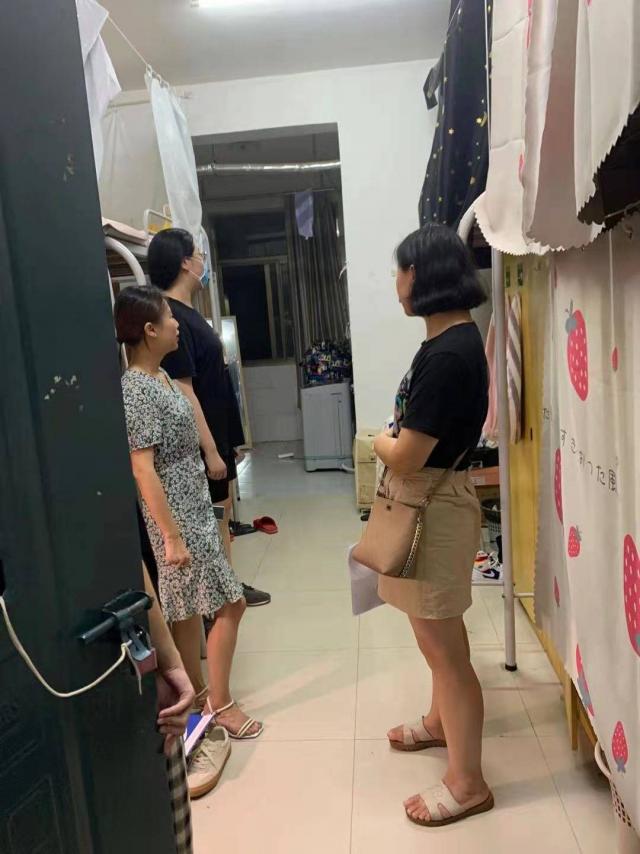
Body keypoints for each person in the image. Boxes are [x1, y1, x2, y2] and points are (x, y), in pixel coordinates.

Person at [372, 224, 493, 828]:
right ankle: (438, 723)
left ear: (419, 275)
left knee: (445, 650)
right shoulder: (451, 341)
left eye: (399, 270)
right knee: (435, 636)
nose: (395, 283)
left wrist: (376, 439)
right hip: (435, 502)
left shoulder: (448, 354)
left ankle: (468, 783)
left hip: (435, 507)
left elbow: (407, 454)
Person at [115, 286, 263, 753]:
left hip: (193, 506)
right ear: (149, 330)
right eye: (169, 317)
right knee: (231, 604)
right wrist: (172, 536)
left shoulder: (160, 376)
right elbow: (142, 468)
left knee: (184, 613)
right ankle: (221, 702)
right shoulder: (136, 390)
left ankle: (197, 699)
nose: (178, 323)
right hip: (176, 518)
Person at [147, 228, 271, 613]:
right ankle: (221, 596)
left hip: (216, 433)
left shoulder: (187, 314)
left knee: (222, 513)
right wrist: (211, 449)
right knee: (213, 517)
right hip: (202, 441)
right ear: (185, 262)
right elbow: (185, 391)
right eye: (199, 255)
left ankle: (227, 586)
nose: (203, 262)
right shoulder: (172, 319)